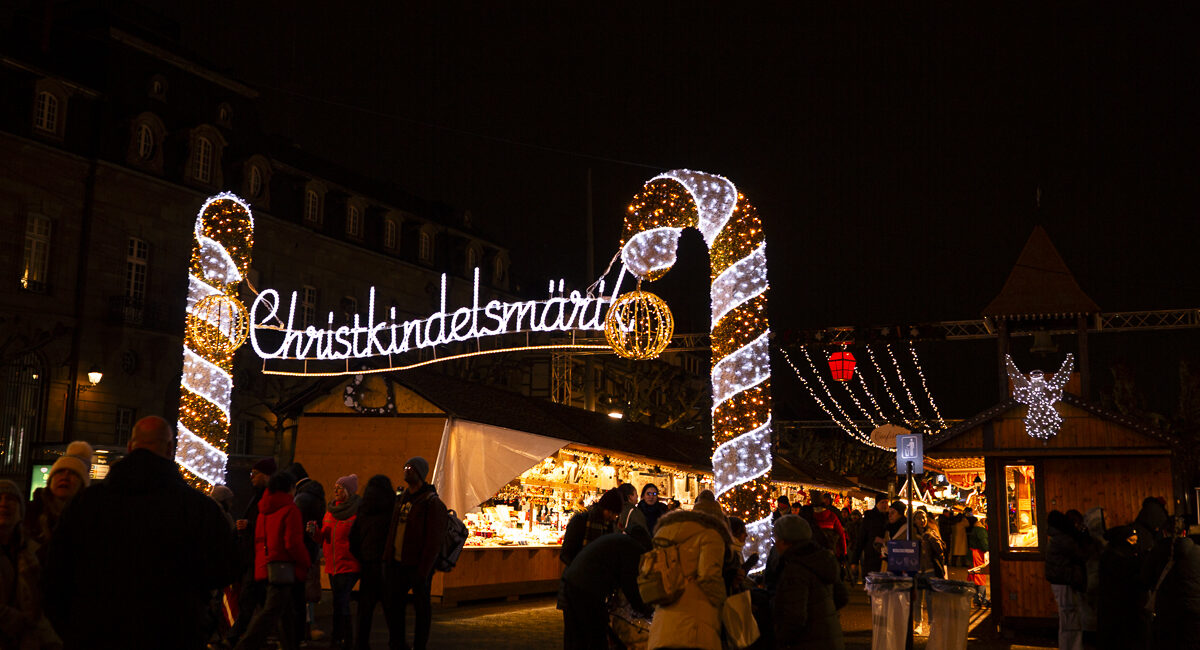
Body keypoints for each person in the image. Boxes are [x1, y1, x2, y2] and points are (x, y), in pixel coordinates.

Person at [44, 416, 238, 650]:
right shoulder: (198, 508)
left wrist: (74, 629)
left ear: (130, 447)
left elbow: (55, 573)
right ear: (169, 449)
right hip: (173, 633)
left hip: (96, 633)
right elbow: (224, 569)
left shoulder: (87, 503)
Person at [235, 471, 312, 650]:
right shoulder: (290, 509)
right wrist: (305, 561)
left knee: (285, 613)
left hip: (265, 566)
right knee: (270, 613)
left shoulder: (263, 510)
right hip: (283, 567)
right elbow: (292, 543)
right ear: (290, 488)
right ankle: (243, 645)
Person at [647, 491, 730, 650]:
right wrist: (724, 604)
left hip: (662, 625)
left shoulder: (667, 533)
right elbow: (709, 577)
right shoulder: (711, 535)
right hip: (694, 625)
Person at [383, 457, 448, 650]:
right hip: (398, 562)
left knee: (421, 608)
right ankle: (397, 642)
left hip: (418, 565)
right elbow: (393, 530)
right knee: (395, 606)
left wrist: (424, 569)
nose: (406, 470)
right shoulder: (402, 499)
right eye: (405, 467)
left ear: (419, 473)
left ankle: (419, 645)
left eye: (410, 468)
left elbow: (433, 539)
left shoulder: (430, 502)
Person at [560, 529, 654, 649]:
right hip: (587, 588)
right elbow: (629, 585)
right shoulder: (633, 549)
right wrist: (643, 609)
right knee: (596, 632)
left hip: (574, 582)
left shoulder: (619, 540)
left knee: (578, 632)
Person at [771, 514, 847, 650]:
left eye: (775, 539)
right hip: (830, 638)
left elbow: (795, 617)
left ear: (784, 541)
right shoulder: (822, 558)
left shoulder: (795, 569)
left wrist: (780, 637)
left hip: (808, 641)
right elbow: (842, 597)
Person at [0, 479, 61, 649]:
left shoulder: (30, 553)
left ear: (21, 510)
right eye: (0, 498)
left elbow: (37, 606)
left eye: (11, 499)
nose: (4, 504)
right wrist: (18, 621)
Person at [229, 457, 276, 646]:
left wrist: (249, 525)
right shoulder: (257, 495)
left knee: (250, 599)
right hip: (254, 555)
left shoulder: (267, 497)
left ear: (265, 476)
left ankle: (235, 637)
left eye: (254, 474)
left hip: (259, 557)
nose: (251, 478)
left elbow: (270, 525)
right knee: (262, 602)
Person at [23, 440, 91, 564]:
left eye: (73, 473)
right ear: (50, 481)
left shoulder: (91, 520)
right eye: (60, 472)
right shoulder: (30, 513)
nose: (65, 476)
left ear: (82, 485)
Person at [349, 474, 395, 650]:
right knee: (391, 608)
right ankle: (396, 642)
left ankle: (361, 643)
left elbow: (353, 539)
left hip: (368, 565)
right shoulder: (392, 510)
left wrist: (363, 557)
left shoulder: (363, 510)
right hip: (387, 565)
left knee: (365, 610)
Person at [284, 462, 325, 643]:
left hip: (302, 551)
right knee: (304, 594)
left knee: (299, 595)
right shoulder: (316, 494)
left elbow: (294, 527)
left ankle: (298, 633)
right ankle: (305, 630)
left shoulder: (301, 498)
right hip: (312, 548)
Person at [321, 474, 362, 649]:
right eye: (335, 487)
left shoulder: (356, 513)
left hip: (348, 564)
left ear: (349, 491)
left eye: (341, 487)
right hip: (333, 564)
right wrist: (315, 533)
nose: (336, 490)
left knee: (341, 601)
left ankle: (344, 638)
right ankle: (339, 637)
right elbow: (324, 536)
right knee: (338, 601)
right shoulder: (330, 511)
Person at [1096, 525, 1145, 650]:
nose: (1135, 544)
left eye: (1136, 540)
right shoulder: (1114, 558)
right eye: (1131, 540)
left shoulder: (1122, 555)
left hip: (1124, 608)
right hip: (1117, 609)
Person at [1045, 510, 1087, 650]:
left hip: (1061, 580)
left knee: (1068, 616)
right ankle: (1071, 646)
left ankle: (1070, 646)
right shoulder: (1063, 539)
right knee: (1069, 617)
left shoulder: (1057, 538)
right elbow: (1082, 554)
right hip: (1065, 580)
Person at [560, 488, 622, 566]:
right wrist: (578, 567)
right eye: (611, 512)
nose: (612, 517)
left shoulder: (610, 526)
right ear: (604, 508)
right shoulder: (580, 520)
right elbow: (565, 553)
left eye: (615, 514)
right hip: (577, 573)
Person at [911, 509, 946, 636]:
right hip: (918, 571)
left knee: (930, 598)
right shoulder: (912, 534)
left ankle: (932, 623)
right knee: (918, 599)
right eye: (919, 518)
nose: (922, 520)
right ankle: (918, 624)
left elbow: (940, 550)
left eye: (924, 517)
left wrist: (932, 539)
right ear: (914, 520)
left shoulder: (932, 532)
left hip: (930, 570)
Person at [857, 497, 890, 577]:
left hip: (886, 557)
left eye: (886, 502)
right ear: (877, 504)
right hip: (871, 556)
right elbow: (861, 538)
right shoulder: (869, 517)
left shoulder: (889, 518)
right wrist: (854, 560)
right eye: (882, 502)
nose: (885, 505)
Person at [809, 490, 847, 560]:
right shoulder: (832, 515)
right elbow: (841, 534)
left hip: (813, 554)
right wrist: (843, 553)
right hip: (830, 552)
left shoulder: (809, 516)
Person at [965, 514, 990, 607]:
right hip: (977, 555)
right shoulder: (981, 531)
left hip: (973, 554)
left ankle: (976, 599)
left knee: (975, 576)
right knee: (980, 576)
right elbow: (984, 544)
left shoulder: (976, 528)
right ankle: (982, 599)